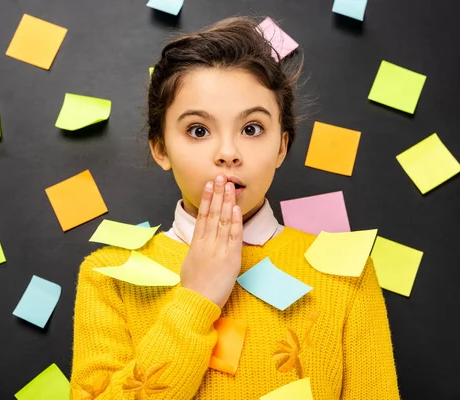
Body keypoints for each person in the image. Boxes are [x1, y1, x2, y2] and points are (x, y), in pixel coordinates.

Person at [70, 16, 399, 399]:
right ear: (160, 149)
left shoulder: (348, 276)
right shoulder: (108, 276)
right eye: (198, 130)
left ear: (281, 146)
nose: (227, 153)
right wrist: (197, 298)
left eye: (252, 129)